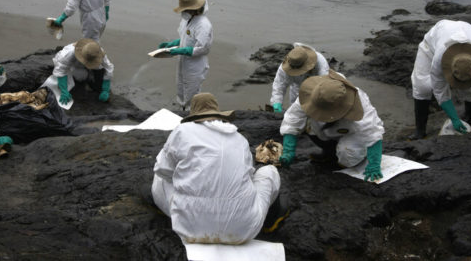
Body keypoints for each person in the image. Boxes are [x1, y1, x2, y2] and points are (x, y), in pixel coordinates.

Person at [152, 93, 287, 244]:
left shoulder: (182, 131)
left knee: (159, 177)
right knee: (269, 172)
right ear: (218, 115)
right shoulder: (239, 139)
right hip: (243, 231)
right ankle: (270, 222)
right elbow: (249, 176)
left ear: (193, 117)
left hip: (190, 229)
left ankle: (173, 210)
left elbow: (163, 171)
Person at [278, 72, 384, 182]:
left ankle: (355, 156)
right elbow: (293, 118)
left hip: (350, 132)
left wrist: (374, 164)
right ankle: (329, 153)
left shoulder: (361, 106)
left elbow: (372, 132)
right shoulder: (315, 93)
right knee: (309, 127)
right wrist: (288, 151)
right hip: (324, 130)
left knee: (348, 156)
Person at [410, 20, 471, 139]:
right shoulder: (439, 58)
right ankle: (420, 131)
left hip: (466, 31)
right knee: (423, 86)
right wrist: (454, 118)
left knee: (469, 86)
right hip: (431, 44)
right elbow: (440, 91)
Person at [158, 0, 213, 110]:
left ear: (193, 9)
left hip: (195, 65)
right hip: (183, 62)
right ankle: (182, 110)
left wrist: (184, 50)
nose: (183, 13)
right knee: (181, 87)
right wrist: (173, 44)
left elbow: (203, 48)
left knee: (192, 93)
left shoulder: (203, 25)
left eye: (185, 10)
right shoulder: (187, 20)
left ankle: (191, 115)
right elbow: (187, 38)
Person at [41, 38, 113, 107]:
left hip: (86, 64)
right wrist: (64, 90)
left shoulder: (97, 52)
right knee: (81, 76)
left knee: (98, 86)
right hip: (74, 65)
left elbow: (109, 68)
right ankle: (86, 76)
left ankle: (90, 76)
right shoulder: (67, 54)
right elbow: (60, 70)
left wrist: (105, 89)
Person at [270, 43, 330, 113]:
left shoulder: (320, 62)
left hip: (316, 88)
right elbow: (279, 86)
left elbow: (324, 84)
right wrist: (276, 102)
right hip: (297, 90)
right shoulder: (284, 67)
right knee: (295, 113)